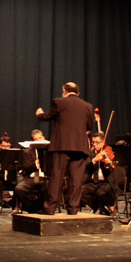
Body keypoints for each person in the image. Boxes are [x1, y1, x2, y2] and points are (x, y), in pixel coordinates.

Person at [37, 82, 95, 216]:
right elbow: (89, 126)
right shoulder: (88, 106)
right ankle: (73, 209)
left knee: (56, 176)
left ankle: (50, 208)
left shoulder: (59, 102)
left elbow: (47, 116)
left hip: (62, 146)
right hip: (80, 147)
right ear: (78, 92)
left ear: (64, 90)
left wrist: (40, 114)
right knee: (76, 179)